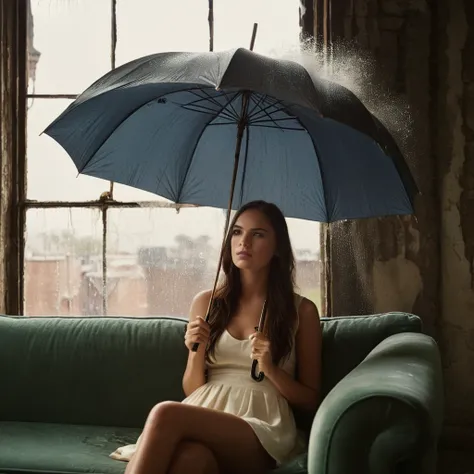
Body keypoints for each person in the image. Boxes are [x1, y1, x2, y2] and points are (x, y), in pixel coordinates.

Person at [113, 200, 322, 474]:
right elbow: (193, 389)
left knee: (165, 412)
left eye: (257, 234)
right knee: (193, 461)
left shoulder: (302, 311)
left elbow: (310, 399)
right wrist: (196, 349)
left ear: (278, 248)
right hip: (205, 408)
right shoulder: (206, 303)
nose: (243, 242)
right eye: (236, 232)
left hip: (261, 426)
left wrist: (270, 369)